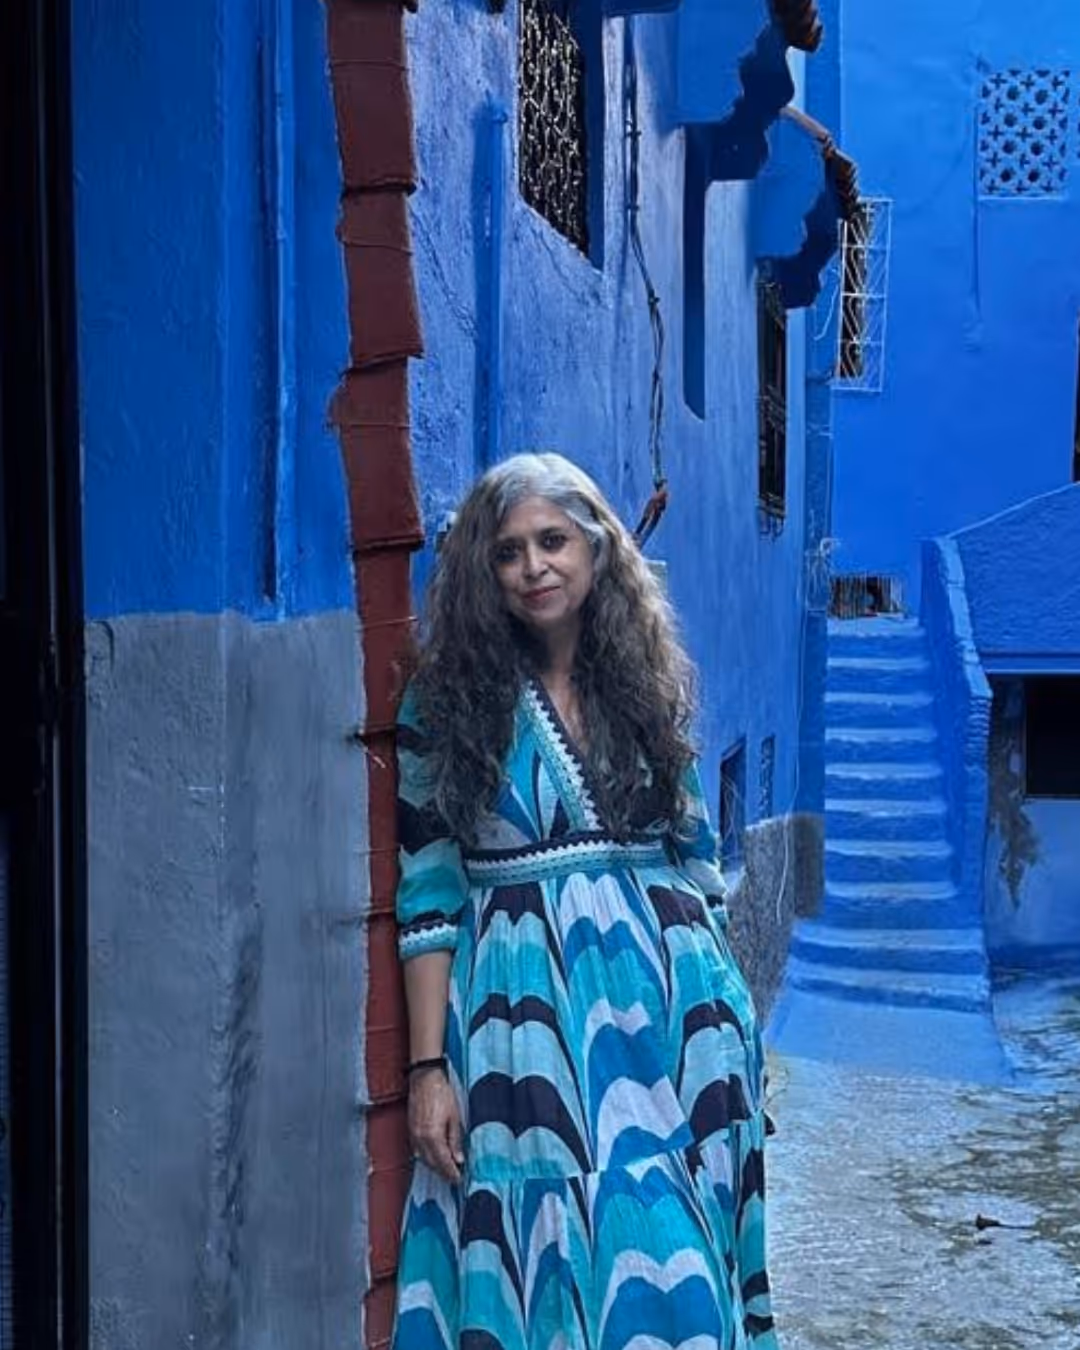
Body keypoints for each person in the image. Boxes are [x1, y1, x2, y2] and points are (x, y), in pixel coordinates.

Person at [391, 453, 778, 1350]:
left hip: (678, 1025)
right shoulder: (445, 701)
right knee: (551, 1265)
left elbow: (697, 861)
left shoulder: (643, 681)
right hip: (527, 1030)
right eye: (508, 551)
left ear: (598, 549)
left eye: (553, 541)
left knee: (682, 1270)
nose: (533, 566)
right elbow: (429, 890)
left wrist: (733, 1031)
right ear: (482, 571)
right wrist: (426, 1071)